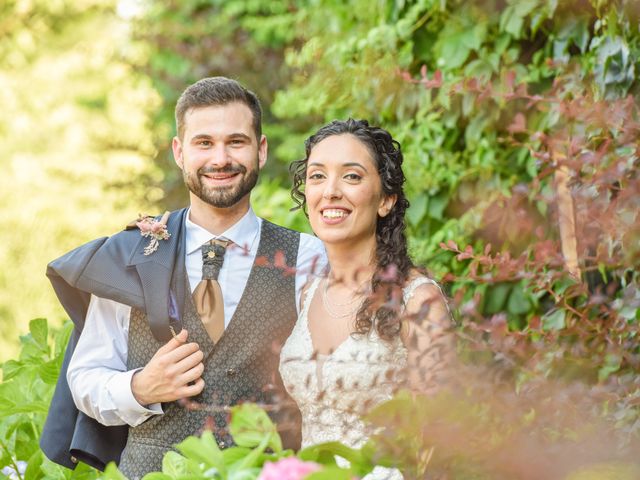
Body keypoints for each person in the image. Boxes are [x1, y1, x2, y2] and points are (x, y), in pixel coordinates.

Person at [40, 77, 326, 479]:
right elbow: (85, 378)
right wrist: (140, 388)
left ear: (261, 150)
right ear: (180, 152)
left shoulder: (310, 258)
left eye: (236, 142)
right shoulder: (130, 255)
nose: (220, 159)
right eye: (204, 143)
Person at [279, 119, 451, 479]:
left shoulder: (418, 301)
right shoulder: (308, 294)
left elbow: (439, 445)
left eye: (352, 177)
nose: (330, 192)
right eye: (317, 176)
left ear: (386, 200)